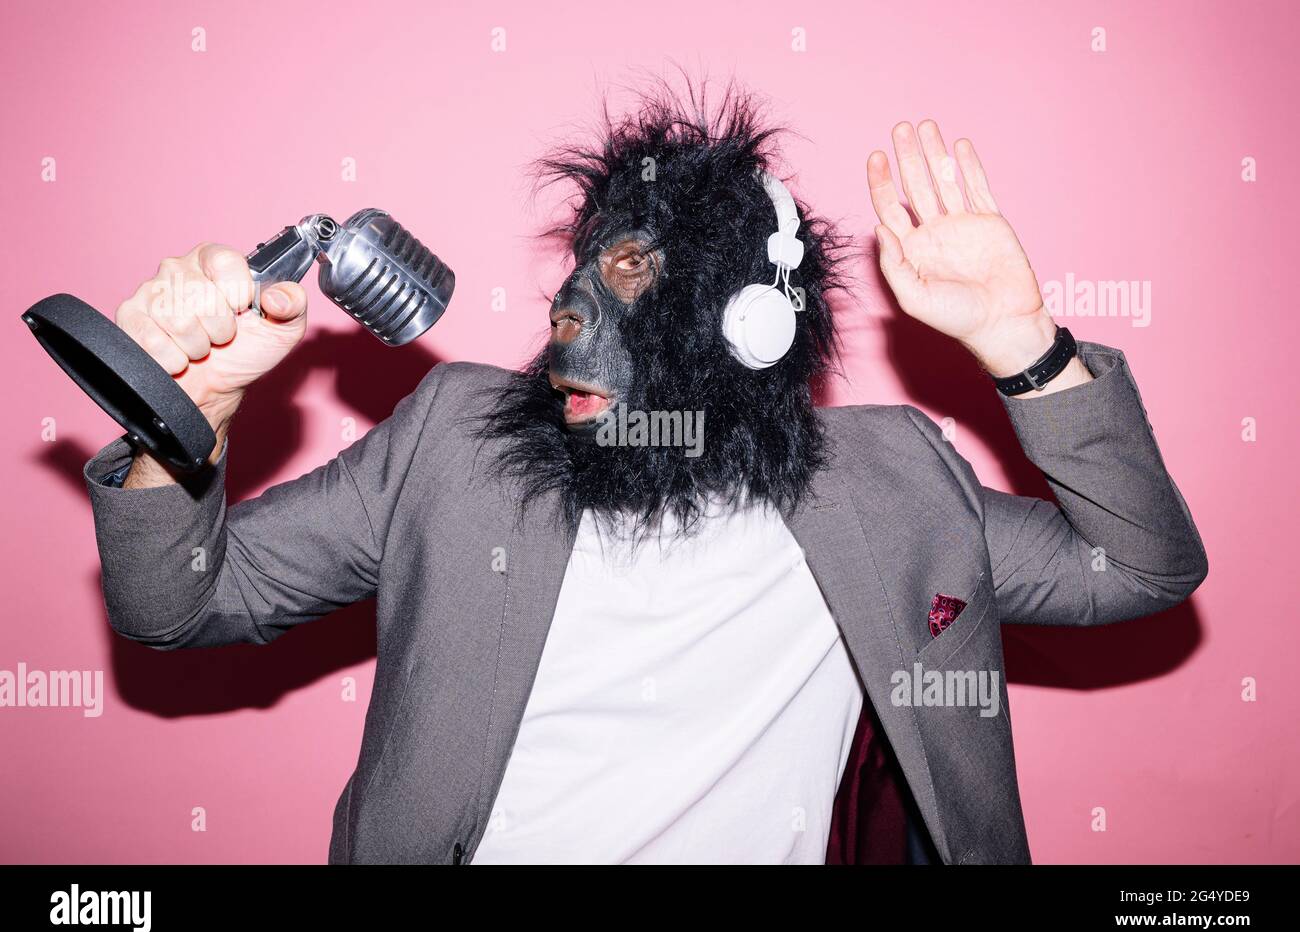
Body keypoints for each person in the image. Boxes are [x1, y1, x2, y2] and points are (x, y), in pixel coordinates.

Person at [83, 85, 1206, 864]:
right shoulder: (455, 439)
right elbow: (178, 608)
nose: (570, 318)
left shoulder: (886, 482)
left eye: (623, 274)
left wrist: (1026, 347)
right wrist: (197, 412)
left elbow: (1141, 570)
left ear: (752, 326)